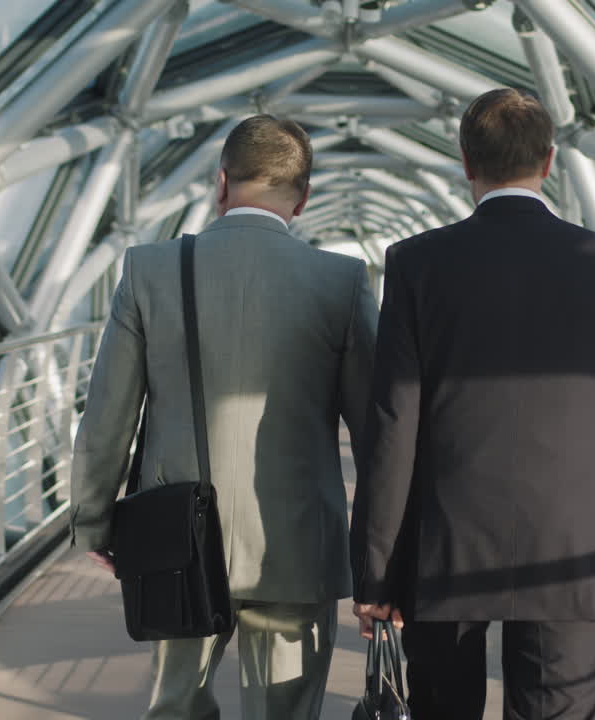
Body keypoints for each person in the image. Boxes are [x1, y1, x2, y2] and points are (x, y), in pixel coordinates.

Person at [349, 88, 595, 720]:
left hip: (445, 543)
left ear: (466, 163)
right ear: (550, 162)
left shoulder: (415, 265)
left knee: (442, 706)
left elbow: (393, 424)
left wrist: (377, 571)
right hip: (572, 546)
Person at [71, 114, 378, 720]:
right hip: (296, 545)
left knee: (175, 707)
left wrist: (95, 520)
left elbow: (108, 413)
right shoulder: (340, 281)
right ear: (304, 195)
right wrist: (383, 550)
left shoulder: (149, 269)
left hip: (176, 537)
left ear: (221, 183)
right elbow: (375, 431)